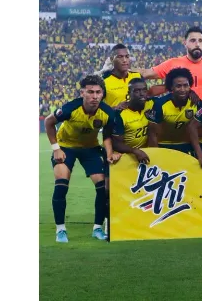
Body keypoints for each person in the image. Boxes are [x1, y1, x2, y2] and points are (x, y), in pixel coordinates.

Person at [44, 75, 119, 243]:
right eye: (90, 92)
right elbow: (49, 122)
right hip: (65, 147)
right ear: (82, 93)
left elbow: (107, 136)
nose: (94, 96)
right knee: (61, 185)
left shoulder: (107, 113)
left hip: (90, 149)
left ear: (102, 93)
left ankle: (97, 228)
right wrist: (56, 149)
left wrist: (109, 153)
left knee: (103, 188)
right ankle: (60, 230)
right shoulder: (71, 108)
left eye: (98, 92)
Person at [135, 27, 202, 100]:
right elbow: (144, 74)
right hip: (181, 116)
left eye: (200, 41)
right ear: (185, 43)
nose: (197, 44)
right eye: (193, 40)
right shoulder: (173, 63)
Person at [146, 68, 201, 155]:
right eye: (178, 86)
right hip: (164, 145)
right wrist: (156, 155)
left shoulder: (196, 102)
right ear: (171, 87)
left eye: (185, 85)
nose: (182, 89)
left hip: (186, 145)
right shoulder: (160, 104)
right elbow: (153, 134)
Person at [111, 78, 152, 164]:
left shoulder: (151, 103)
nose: (141, 94)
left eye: (144, 90)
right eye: (137, 91)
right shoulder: (120, 114)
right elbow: (116, 144)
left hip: (147, 154)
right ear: (129, 93)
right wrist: (134, 151)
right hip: (126, 157)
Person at [100, 44, 142, 109]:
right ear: (111, 59)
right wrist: (115, 108)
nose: (124, 60)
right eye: (120, 57)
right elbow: (95, 109)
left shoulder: (137, 76)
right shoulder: (104, 81)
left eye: (127, 56)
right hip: (115, 118)